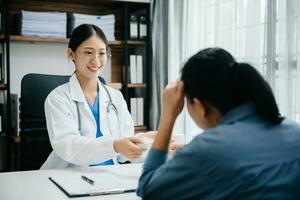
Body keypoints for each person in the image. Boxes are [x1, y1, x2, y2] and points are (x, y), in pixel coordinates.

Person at [137, 47, 300, 199]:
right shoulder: (294, 131)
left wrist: (168, 116)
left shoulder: (207, 149)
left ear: (200, 105)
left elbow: (149, 189)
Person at [41, 24, 149, 169]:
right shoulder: (58, 98)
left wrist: (151, 145)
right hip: (68, 177)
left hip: (111, 176)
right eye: (88, 52)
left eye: (102, 53)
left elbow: (124, 154)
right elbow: (69, 146)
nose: (96, 61)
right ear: (71, 54)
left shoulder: (116, 98)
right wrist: (115, 145)